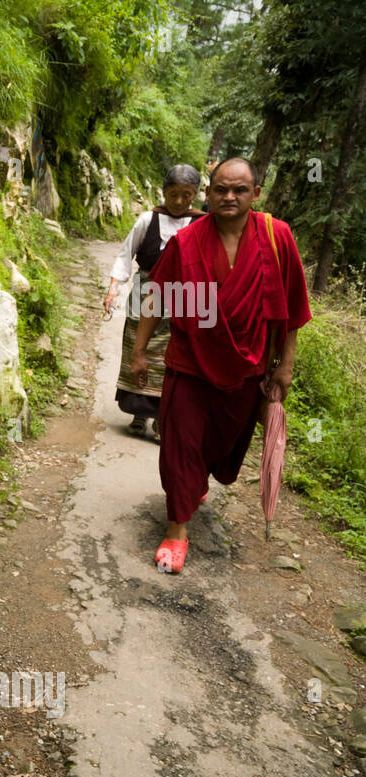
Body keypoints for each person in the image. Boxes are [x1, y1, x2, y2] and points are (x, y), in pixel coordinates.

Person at [131, 156, 312, 573]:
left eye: (239, 190)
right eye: (221, 190)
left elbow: (293, 308)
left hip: (247, 370)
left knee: (221, 445)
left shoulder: (277, 237)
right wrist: (139, 352)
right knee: (180, 443)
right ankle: (177, 529)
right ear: (208, 194)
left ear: (255, 194)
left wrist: (285, 365)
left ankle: (197, 482)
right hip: (190, 364)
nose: (229, 197)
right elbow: (158, 300)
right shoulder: (188, 242)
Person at [103, 165, 205, 438]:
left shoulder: (202, 224)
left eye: (187, 195)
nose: (180, 201)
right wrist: (113, 289)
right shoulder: (148, 220)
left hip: (183, 300)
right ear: (164, 192)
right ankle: (139, 412)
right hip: (145, 294)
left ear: (195, 195)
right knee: (140, 351)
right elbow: (125, 256)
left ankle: (162, 418)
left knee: (171, 360)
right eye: (173, 194)